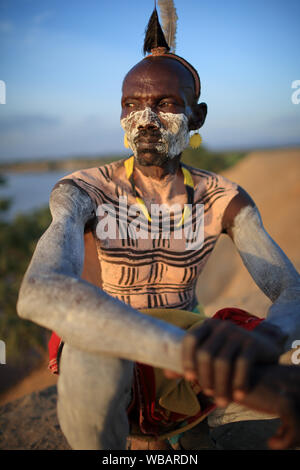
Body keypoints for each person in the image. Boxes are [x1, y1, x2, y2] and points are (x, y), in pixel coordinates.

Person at [17, 5, 300, 450]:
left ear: (197, 116)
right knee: (92, 355)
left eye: (164, 104)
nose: (144, 120)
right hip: (129, 363)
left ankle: (190, 424)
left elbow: (292, 291)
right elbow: (39, 290)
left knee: (267, 342)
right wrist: (187, 353)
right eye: (131, 105)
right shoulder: (84, 190)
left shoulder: (221, 198)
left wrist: (270, 339)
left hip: (188, 377)